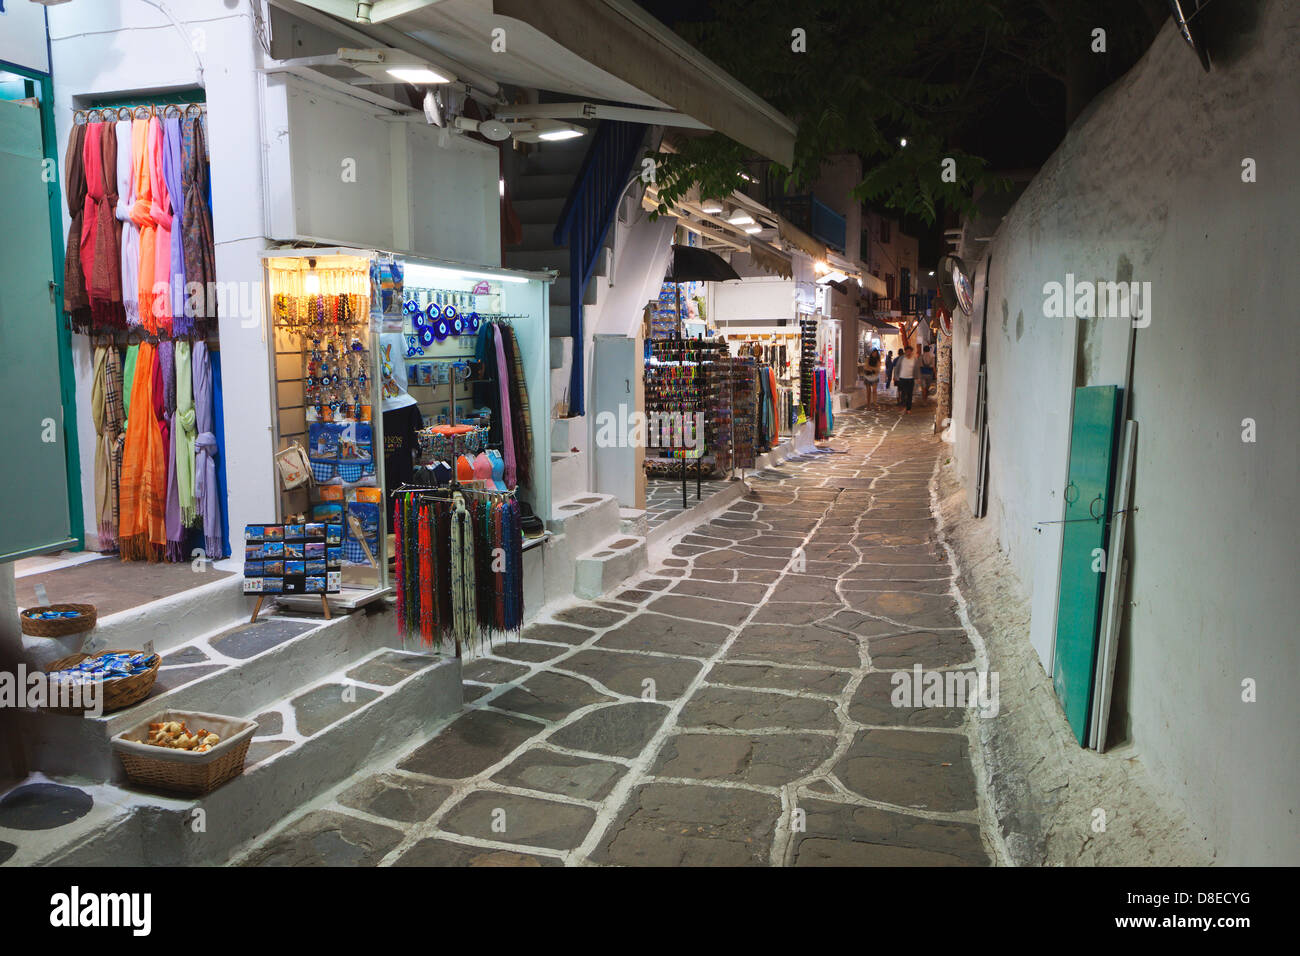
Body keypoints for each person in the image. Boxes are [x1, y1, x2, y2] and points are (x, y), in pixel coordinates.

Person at [896, 345, 917, 413]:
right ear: (905, 352)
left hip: (911, 379)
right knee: (903, 393)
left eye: (909, 351)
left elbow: (916, 368)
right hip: (902, 378)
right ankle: (903, 406)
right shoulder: (902, 358)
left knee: (910, 394)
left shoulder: (914, 359)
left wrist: (917, 377)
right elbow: (897, 367)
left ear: (911, 352)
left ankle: (908, 408)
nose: (908, 352)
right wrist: (896, 376)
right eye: (907, 351)